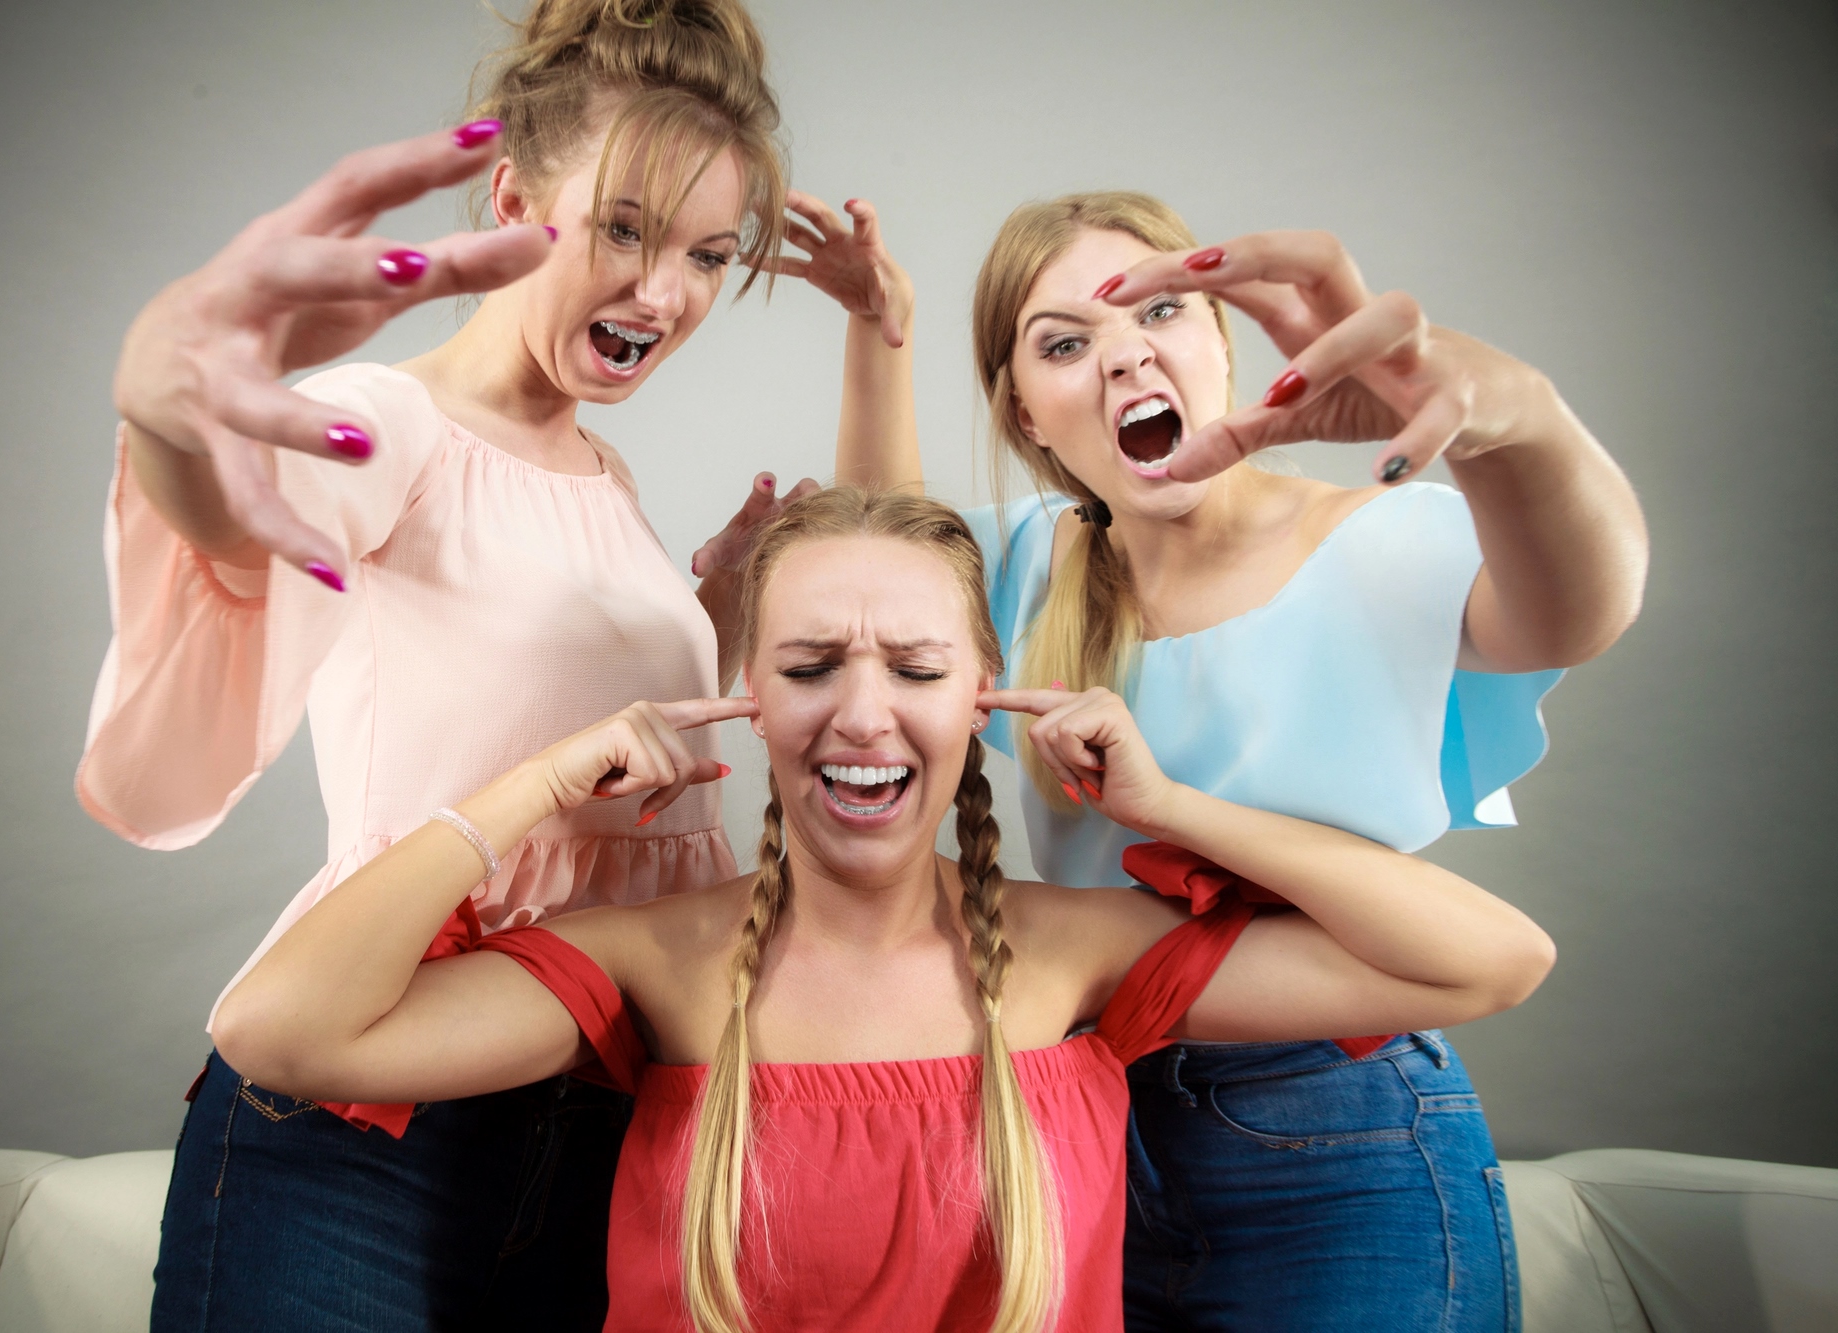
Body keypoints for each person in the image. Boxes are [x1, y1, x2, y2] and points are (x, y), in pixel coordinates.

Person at [211, 486, 1557, 1333]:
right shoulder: (655, 959)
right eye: (808, 665)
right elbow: (283, 1031)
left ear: (984, 690)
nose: (862, 712)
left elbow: (1491, 963)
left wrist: (1174, 809)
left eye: (915, 665)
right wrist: (543, 782)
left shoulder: (1064, 952)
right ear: (749, 691)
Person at [75, 1, 916, 1327]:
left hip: (589, 1118)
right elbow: (238, 519)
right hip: (369, 1115)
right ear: (511, 195)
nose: (664, 292)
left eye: (707, 254)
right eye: (623, 230)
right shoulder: (388, 425)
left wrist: (713, 588)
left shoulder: (603, 479)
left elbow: (887, 601)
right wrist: (167, 411)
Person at [916, 195, 1646, 1330]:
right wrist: (877, 331)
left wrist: (1520, 420)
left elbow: (1577, 616)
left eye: (1159, 310)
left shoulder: (1376, 537)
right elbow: (880, 575)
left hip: (1336, 1114)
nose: (1124, 356)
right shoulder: (1015, 563)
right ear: (1026, 412)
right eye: (1064, 342)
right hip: (1082, 1116)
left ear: (1220, 345)